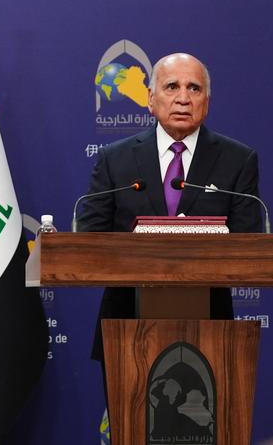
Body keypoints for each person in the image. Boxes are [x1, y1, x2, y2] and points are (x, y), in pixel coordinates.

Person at [76, 53, 262, 363]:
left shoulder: (237, 160)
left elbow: (248, 244)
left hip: (211, 329)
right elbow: (90, 238)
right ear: (151, 98)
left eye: (194, 89)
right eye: (172, 86)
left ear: (207, 102)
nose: (183, 99)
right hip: (127, 326)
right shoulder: (115, 159)